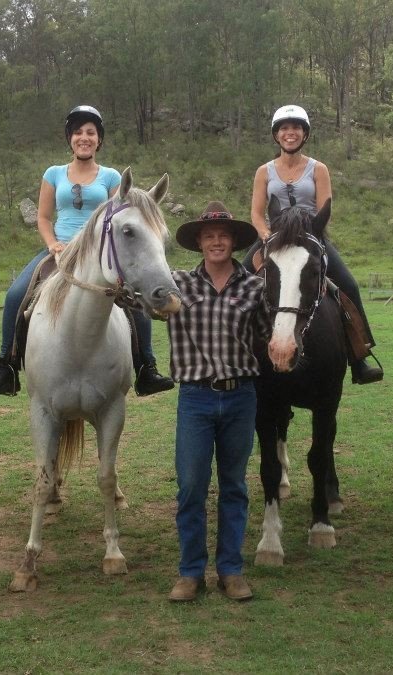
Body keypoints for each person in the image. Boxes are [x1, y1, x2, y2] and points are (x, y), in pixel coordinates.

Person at [0, 105, 172, 397]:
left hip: (96, 252)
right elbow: (43, 218)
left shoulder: (110, 177)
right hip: (59, 250)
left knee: (134, 300)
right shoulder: (53, 174)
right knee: (16, 294)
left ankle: (146, 366)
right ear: (70, 138)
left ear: (99, 140)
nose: (85, 137)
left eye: (91, 133)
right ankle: (6, 366)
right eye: (79, 132)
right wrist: (52, 244)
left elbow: (116, 217)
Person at [166, 202, 270, 603]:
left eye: (223, 235)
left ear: (233, 241)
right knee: (191, 485)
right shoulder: (177, 284)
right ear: (198, 242)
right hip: (195, 397)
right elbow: (145, 302)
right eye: (209, 236)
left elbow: (268, 332)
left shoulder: (255, 287)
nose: (216, 241)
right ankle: (191, 572)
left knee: (234, 486)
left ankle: (231, 570)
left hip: (241, 395)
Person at [248, 104, 383, 385]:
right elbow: (256, 214)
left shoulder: (318, 169)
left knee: (349, 285)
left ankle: (359, 356)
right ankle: (234, 352)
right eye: (284, 128)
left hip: (310, 239)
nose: (290, 133)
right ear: (276, 135)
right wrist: (265, 236)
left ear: (305, 134)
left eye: (296, 128)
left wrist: (313, 233)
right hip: (273, 240)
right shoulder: (264, 171)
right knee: (237, 280)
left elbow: (324, 208)